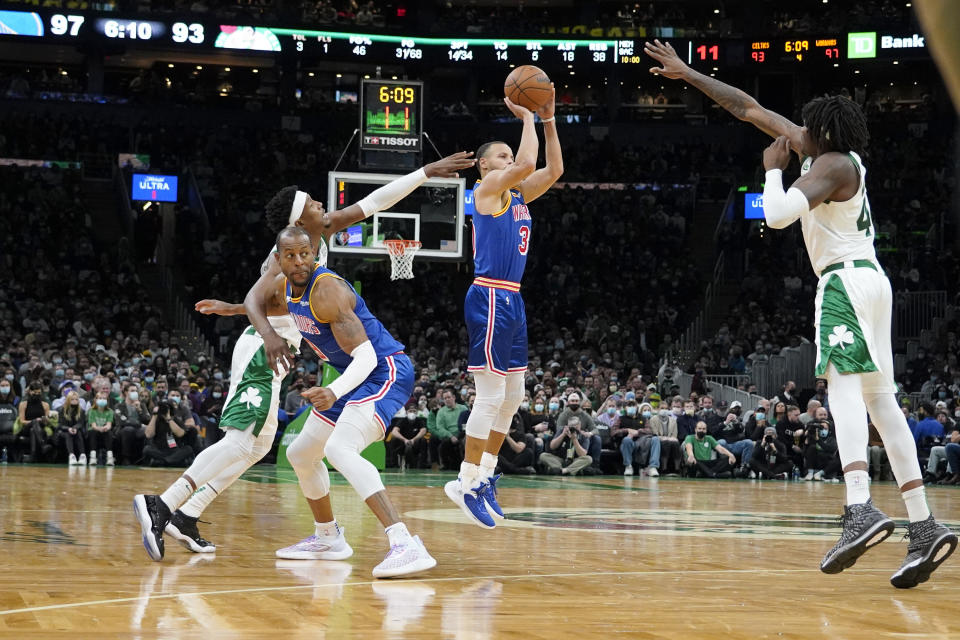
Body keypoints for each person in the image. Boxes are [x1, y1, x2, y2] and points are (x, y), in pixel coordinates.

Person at [645, 38, 956, 586]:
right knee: (881, 403)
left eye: (805, 127)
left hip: (843, 284)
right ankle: (925, 524)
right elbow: (747, 107)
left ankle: (859, 505)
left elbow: (782, 213)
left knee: (839, 388)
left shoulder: (831, 165)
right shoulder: (830, 152)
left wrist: (770, 170)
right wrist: (690, 74)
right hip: (871, 282)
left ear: (823, 135)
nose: (795, 132)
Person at [133, 152, 473, 559]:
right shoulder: (286, 258)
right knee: (244, 443)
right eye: (313, 203)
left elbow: (376, 201)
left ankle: (190, 514)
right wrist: (262, 330)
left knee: (265, 449)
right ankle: (166, 504)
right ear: (297, 225)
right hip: (265, 351)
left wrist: (423, 173)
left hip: (301, 351)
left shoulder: (316, 245)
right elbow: (260, 298)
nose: (322, 206)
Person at [249, 227, 433, 577]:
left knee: (340, 449)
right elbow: (254, 305)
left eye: (305, 253)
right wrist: (227, 311)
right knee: (300, 454)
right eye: (291, 255)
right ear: (278, 260)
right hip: (353, 378)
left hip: (384, 370)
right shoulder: (283, 289)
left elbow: (365, 358)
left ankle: (405, 543)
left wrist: (334, 391)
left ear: (314, 253)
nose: (300, 261)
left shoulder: (328, 290)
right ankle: (328, 537)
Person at [446, 85, 563, 528]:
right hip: (490, 294)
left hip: (512, 297)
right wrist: (530, 117)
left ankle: (487, 475)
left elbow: (552, 168)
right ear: (484, 165)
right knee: (491, 395)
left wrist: (550, 121)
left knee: (513, 397)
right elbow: (529, 163)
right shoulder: (487, 190)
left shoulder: (516, 195)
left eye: (510, 155)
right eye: (503, 155)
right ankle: (465, 481)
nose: (510, 160)